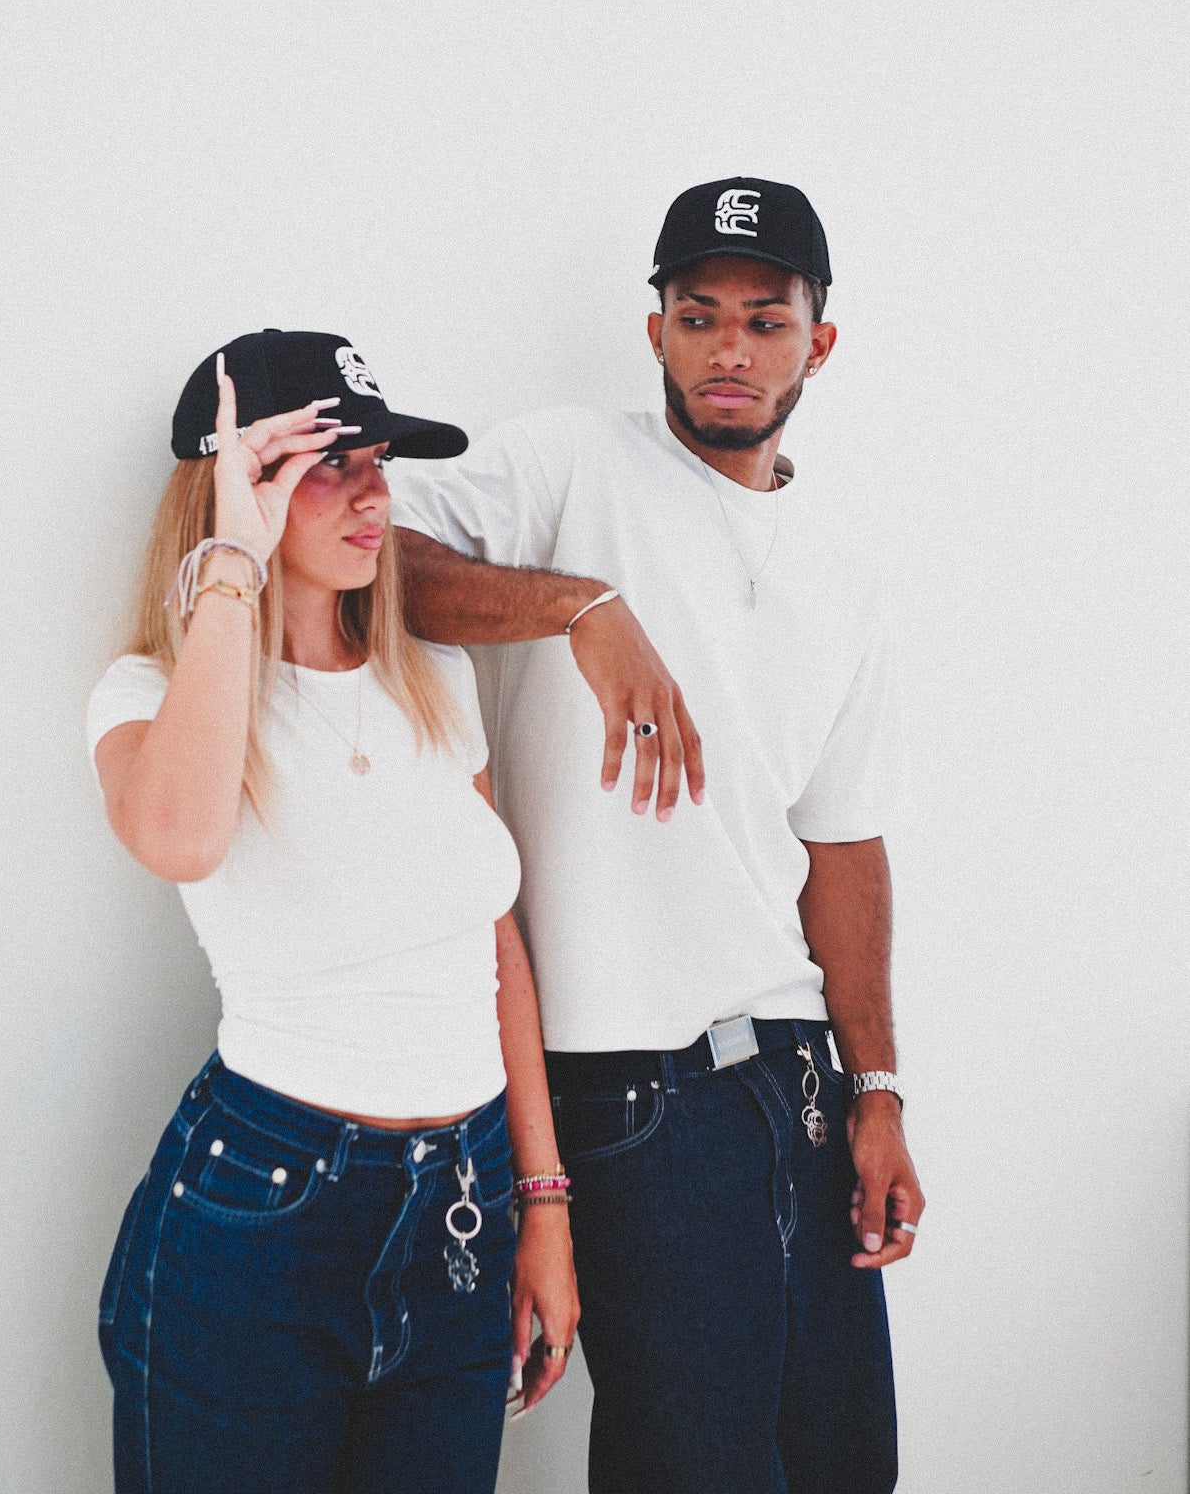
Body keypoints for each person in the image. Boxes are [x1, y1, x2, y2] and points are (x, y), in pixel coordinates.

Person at [392, 178, 923, 1494]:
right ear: (657, 334)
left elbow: (841, 848)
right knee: (693, 1470)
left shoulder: (845, 571)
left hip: (793, 1079)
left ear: (819, 340)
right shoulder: (569, 463)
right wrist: (583, 608)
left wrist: (879, 1090)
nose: (728, 348)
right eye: (697, 317)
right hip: (628, 1087)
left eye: (762, 318)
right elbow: (372, 567)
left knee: (845, 1465)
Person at [89, 329, 579, 1494]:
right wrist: (232, 558)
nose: (373, 489)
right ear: (234, 482)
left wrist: (544, 1202)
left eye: (379, 458)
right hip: (263, 1214)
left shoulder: (433, 676)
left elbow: (490, 939)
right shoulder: (152, 694)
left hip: (462, 1211)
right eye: (327, 461)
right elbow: (178, 838)